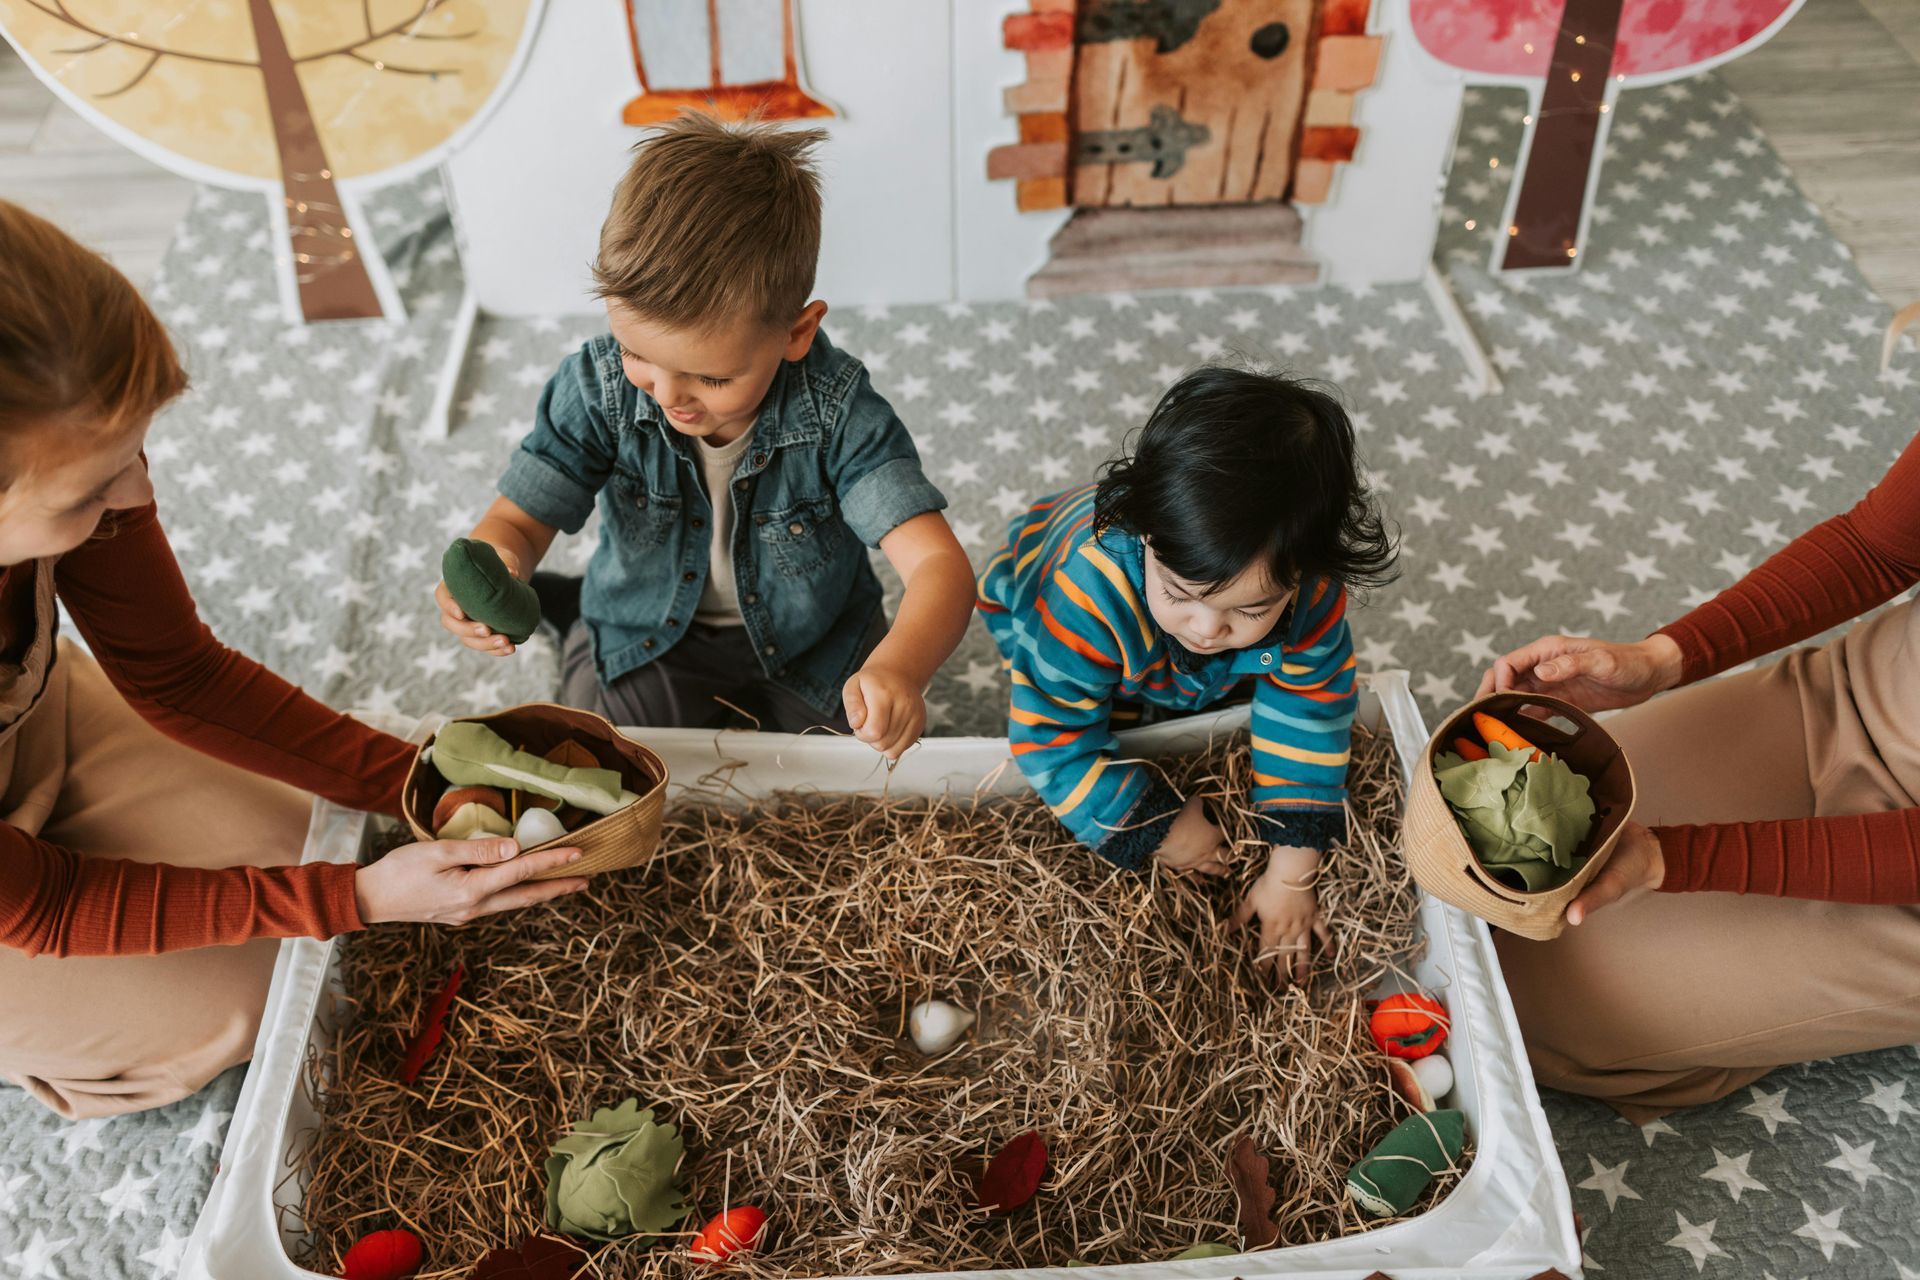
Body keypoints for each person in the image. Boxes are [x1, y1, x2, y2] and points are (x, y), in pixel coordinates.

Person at [0, 201, 588, 1119]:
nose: (139, 493)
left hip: (34, 727)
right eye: (90, 490)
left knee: (301, 845)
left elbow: (179, 675)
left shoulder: (73, 455)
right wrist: (351, 900)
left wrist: (414, 782)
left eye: (138, 451)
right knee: (247, 998)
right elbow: (42, 907)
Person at [435, 114, 975, 760]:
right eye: (638, 354)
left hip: (814, 645)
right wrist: (499, 565)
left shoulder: (838, 410)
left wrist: (899, 671)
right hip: (648, 633)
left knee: (873, 766)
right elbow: (518, 523)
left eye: (711, 377)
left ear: (796, 333)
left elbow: (940, 568)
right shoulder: (599, 388)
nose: (666, 395)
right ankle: (576, 614)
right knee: (597, 754)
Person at [1479, 428, 1920, 1121]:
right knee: (1527, 847)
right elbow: (1879, 544)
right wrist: (1659, 660)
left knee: (1529, 1019)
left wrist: (1674, 859)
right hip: (1855, 695)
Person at [976, 368, 1397, 983]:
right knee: (1097, 706)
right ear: (1146, 534)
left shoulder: (1311, 593)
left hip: (1176, 647)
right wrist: (1155, 827)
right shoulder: (1084, 595)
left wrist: (1291, 872)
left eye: (1250, 608)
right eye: (1181, 592)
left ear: (1304, 573)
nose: (1205, 628)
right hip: (1040, 610)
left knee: (1267, 672)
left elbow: (1311, 708)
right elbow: (1047, 735)